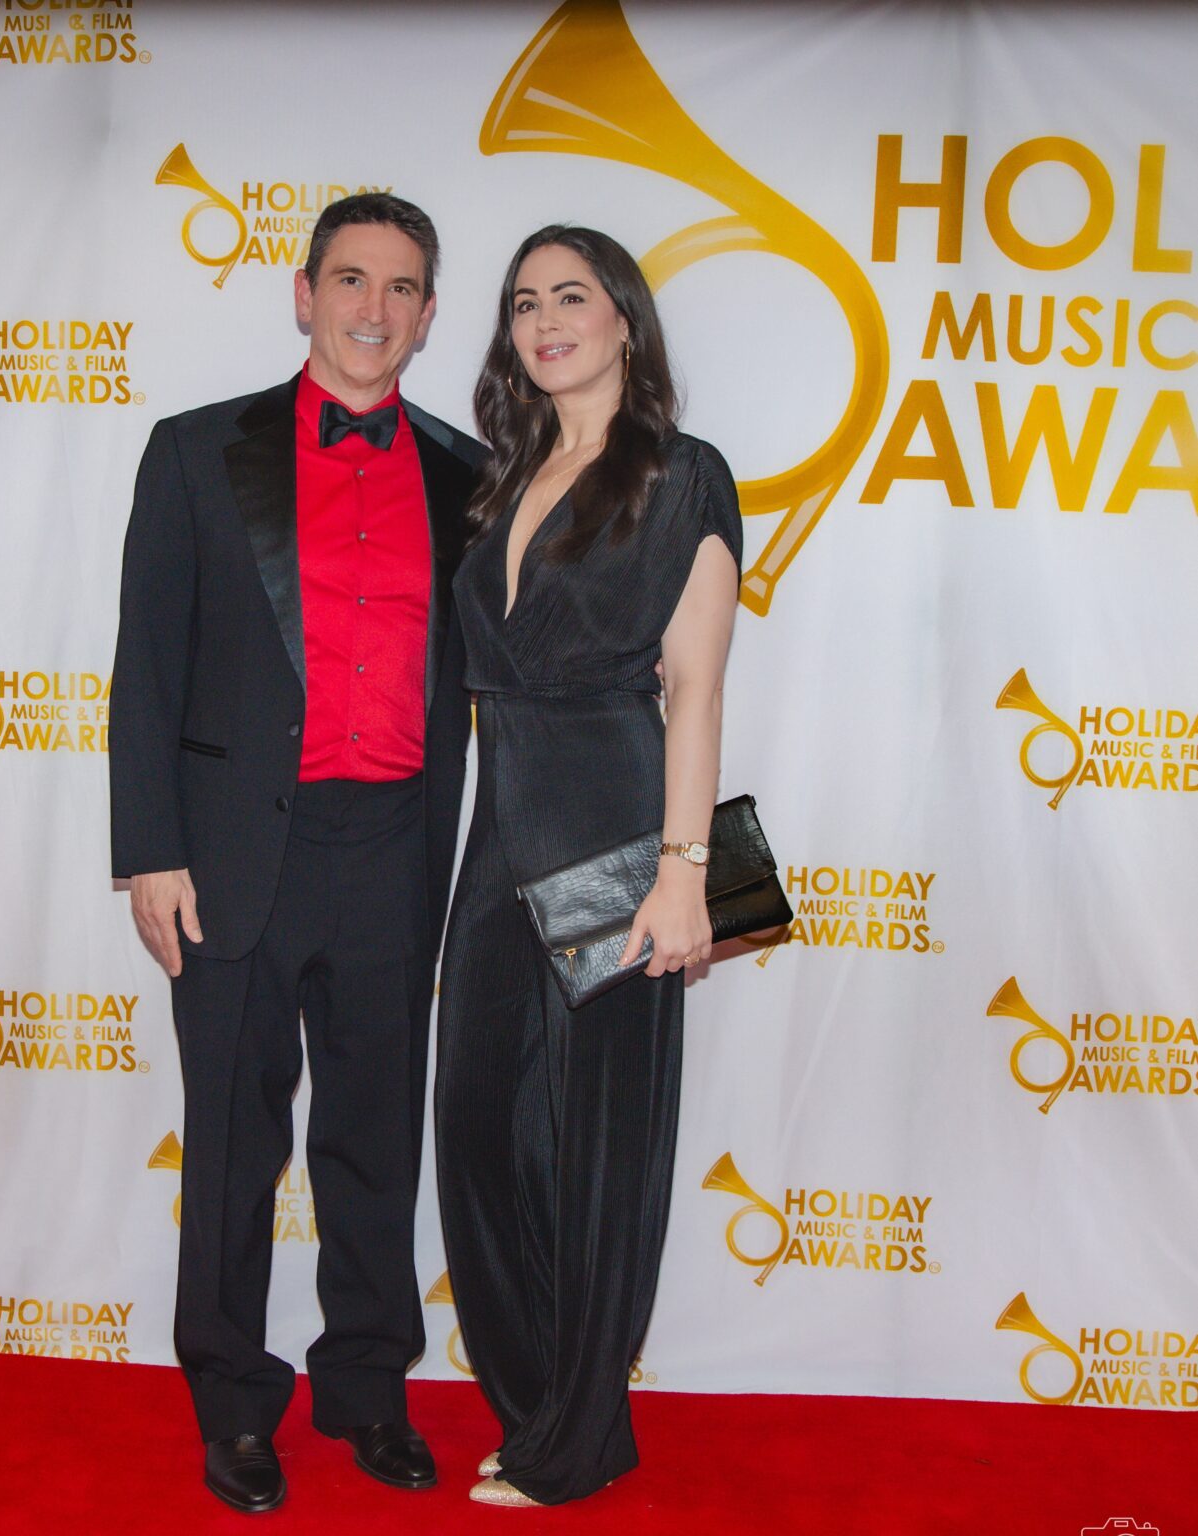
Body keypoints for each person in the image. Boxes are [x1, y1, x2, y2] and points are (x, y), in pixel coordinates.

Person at [109, 193, 483, 1515]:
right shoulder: (195, 452)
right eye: (350, 278)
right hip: (229, 855)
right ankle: (230, 1406)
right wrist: (148, 851)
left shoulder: (467, 471)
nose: (372, 308)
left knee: (374, 1137)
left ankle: (369, 1392)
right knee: (231, 1144)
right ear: (303, 290)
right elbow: (145, 665)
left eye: (400, 288)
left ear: (430, 315)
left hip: (395, 844)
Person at [434, 225, 742, 1507]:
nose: (546, 320)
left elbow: (697, 690)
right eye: (523, 304)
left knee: (596, 1146)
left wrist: (686, 875)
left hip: (619, 826)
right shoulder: (496, 480)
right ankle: (532, 1398)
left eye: (573, 296)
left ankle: (580, 1438)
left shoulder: (680, 475)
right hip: (498, 829)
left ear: (625, 318)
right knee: (481, 1132)